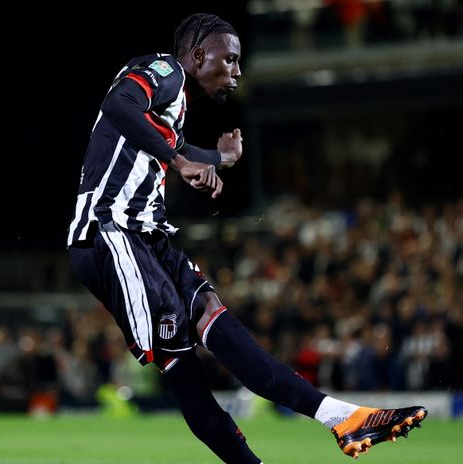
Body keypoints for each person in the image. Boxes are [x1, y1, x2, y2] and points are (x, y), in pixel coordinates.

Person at [66, 13, 426, 463]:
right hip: (111, 232)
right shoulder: (166, 72)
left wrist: (218, 158)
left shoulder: (174, 104)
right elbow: (120, 104)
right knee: (182, 365)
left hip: (148, 238)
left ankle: (341, 417)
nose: (236, 72)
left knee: (216, 319)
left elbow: (168, 142)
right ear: (198, 55)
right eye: (229, 60)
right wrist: (182, 165)